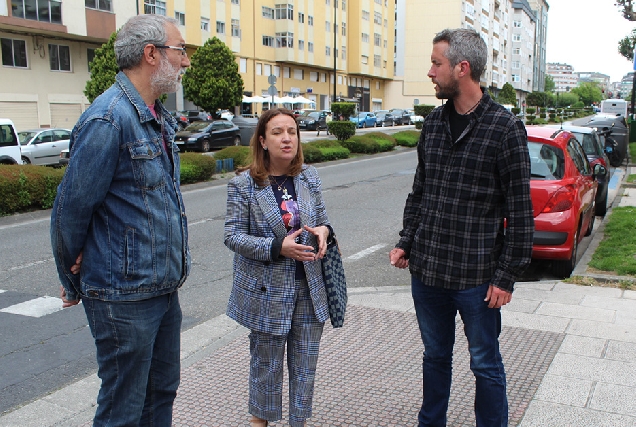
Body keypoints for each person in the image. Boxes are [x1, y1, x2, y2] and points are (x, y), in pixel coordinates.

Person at [50, 14, 191, 426]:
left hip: (163, 289)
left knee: (160, 394)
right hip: (123, 295)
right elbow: (71, 209)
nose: (185, 61)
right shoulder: (108, 118)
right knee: (122, 410)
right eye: (179, 51)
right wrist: (72, 274)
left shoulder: (156, 117)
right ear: (151, 54)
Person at [389, 28, 534, 427]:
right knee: (434, 357)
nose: (431, 72)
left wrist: (505, 278)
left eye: (437, 63)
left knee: (485, 364)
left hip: (477, 278)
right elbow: (421, 192)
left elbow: (521, 214)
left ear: (462, 68)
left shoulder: (504, 129)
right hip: (429, 273)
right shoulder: (433, 125)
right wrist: (406, 241)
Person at [224, 108, 333, 427]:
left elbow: (322, 219)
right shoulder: (244, 184)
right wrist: (277, 246)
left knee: (305, 370)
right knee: (266, 370)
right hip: (266, 293)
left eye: (292, 132)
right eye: (277, 132)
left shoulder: (309, 177)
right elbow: (232, 235)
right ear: (262, 141)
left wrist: (324, 231)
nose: (287, 138)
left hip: (309, 288)